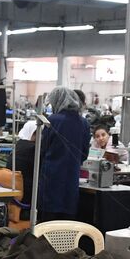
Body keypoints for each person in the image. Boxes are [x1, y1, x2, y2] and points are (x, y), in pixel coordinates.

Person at [34, 86, 91, 223]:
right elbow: (84, 153)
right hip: (71, 180)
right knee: (66, 225)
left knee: (47, 224)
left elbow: (42, 150)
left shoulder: (52, 120)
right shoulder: (83, 123)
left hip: (51, 178)